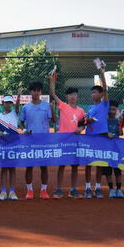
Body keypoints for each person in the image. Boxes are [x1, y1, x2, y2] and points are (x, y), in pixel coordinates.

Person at [49, 71, 85, 199]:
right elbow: (53, 93)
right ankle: (58, 189)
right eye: (70, 94)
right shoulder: (63, 106)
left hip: (75, 141)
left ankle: (73, 190)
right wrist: (52, 80)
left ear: (77, 96)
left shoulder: (81, 111)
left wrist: (80, 129)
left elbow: (83, 125)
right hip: (63, 140)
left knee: (74, 166)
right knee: (62, 165)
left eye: (75, 94)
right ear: (67, 97)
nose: (72, 96)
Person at [19, 81, 56, 200]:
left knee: (43, 166)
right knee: (29, 166)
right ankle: (29, 190)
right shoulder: (25, 107)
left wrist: (53, 109)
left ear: (41, 92)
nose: (36, 92)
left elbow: (54, 121)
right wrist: (24, 130)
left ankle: (43, 190)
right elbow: (21, 122)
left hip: (44, 140)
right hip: (30, 140)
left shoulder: (46, 105)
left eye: (38, 90)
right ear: (30, 92)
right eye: (34, 90)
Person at [83, 61, 110, 199]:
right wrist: (87, 120)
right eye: (92, 93)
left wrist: (102, 73)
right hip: (89, 137)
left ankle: (98, 188)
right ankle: (88, 188)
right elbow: (85, 122)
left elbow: (105, 87)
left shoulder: (105, 104)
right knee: (88, 164)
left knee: (99, 163)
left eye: (95, 92)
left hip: (101, 137)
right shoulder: (89, 108)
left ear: (101, 94)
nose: (92, 95)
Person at [0, 89, 22, 201]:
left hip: (14, 144)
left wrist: (18, 95)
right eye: (7, 102)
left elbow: (18, 105)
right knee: (4, 168)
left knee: (12, 169)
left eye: (10, 102)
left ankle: (12, 192)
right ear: (3, 103)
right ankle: (3, 192)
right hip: (3, 144)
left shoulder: (15, 113)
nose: (8, 104)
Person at [103, 101, 123, 198]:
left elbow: (120, 133)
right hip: (106, 149)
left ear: (116, 110)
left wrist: (119, 125)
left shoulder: (117, 121)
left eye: (113, 109)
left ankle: (119, 189)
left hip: (116, 149)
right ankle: (111, 189)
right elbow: (101, 132)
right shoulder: (104, 121)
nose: (111, 111)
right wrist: (106, 134)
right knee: (108, 171)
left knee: (117, 170)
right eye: (110, 109)